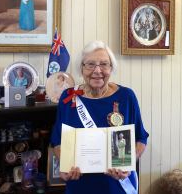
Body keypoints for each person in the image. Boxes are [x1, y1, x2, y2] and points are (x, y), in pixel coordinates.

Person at [51, 40, 149, 194]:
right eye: (90, 64)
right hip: (79, 185)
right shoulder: (69, 97)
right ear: (82, 68)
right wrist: (65, 165)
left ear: (111, 68)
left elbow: (141, 138)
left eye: (104, 64)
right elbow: (57, 141)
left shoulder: (126, 96)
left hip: (117, 185)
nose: (97, 70)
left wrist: (127, 164)